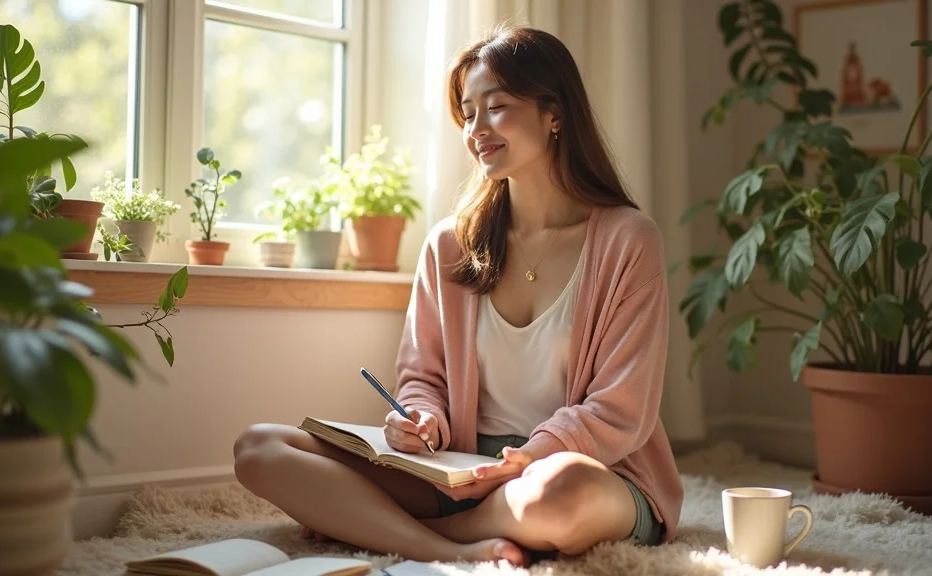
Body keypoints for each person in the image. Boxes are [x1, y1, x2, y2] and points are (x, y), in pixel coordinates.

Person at [232, 25, 683, 567]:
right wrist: (420, 418)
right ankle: (444, 545)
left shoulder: (628, 239)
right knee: (259, 449)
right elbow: (423, 377)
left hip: (583, 469)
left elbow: (620, 411)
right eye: (468, 112)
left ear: (554, 113)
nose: (476, 129)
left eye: (496, 107)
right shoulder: (451, 244)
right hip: (461, 466)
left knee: (558, 496)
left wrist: (524, 461)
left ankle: (378, 524)